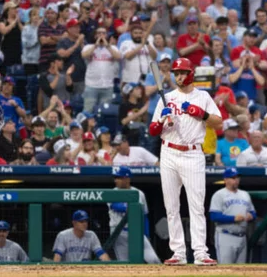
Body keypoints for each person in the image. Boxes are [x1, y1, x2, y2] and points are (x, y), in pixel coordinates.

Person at [148, 57, 223, 265]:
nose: (179, 76)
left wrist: (201, 113)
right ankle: (178, 253)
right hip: (169, 152)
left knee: (196, 205)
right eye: (176, 73)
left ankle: (200, 253)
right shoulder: (167, 97)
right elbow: (153, 130)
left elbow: (218, 123)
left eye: (182, 72)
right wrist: (162, 118)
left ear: (190, 73)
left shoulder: (203, 96)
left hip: (192, 153)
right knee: (171, 206)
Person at [107, 167, 161, 263]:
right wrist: (133, 207)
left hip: (136, 232)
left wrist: (146, 234)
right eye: (115, 178)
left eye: (119, 178)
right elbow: (117, 206)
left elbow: (144, 216)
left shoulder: (139, 194)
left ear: (127, 179)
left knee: (153, 259)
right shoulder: (112, 192)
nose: (116, 180)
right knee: (124, 262)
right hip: (119, 234)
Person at [209, 167, 256, 264]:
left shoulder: (245, 194)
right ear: (225, 180)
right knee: (226, 269)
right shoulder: (219, 195)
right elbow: (214, 216)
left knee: (241, 270)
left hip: (242, 237)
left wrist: (251, 216)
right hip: (226, 235)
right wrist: (233, 218)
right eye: (233, 178)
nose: (236, 180)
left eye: (237, 178)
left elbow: (253, 213)